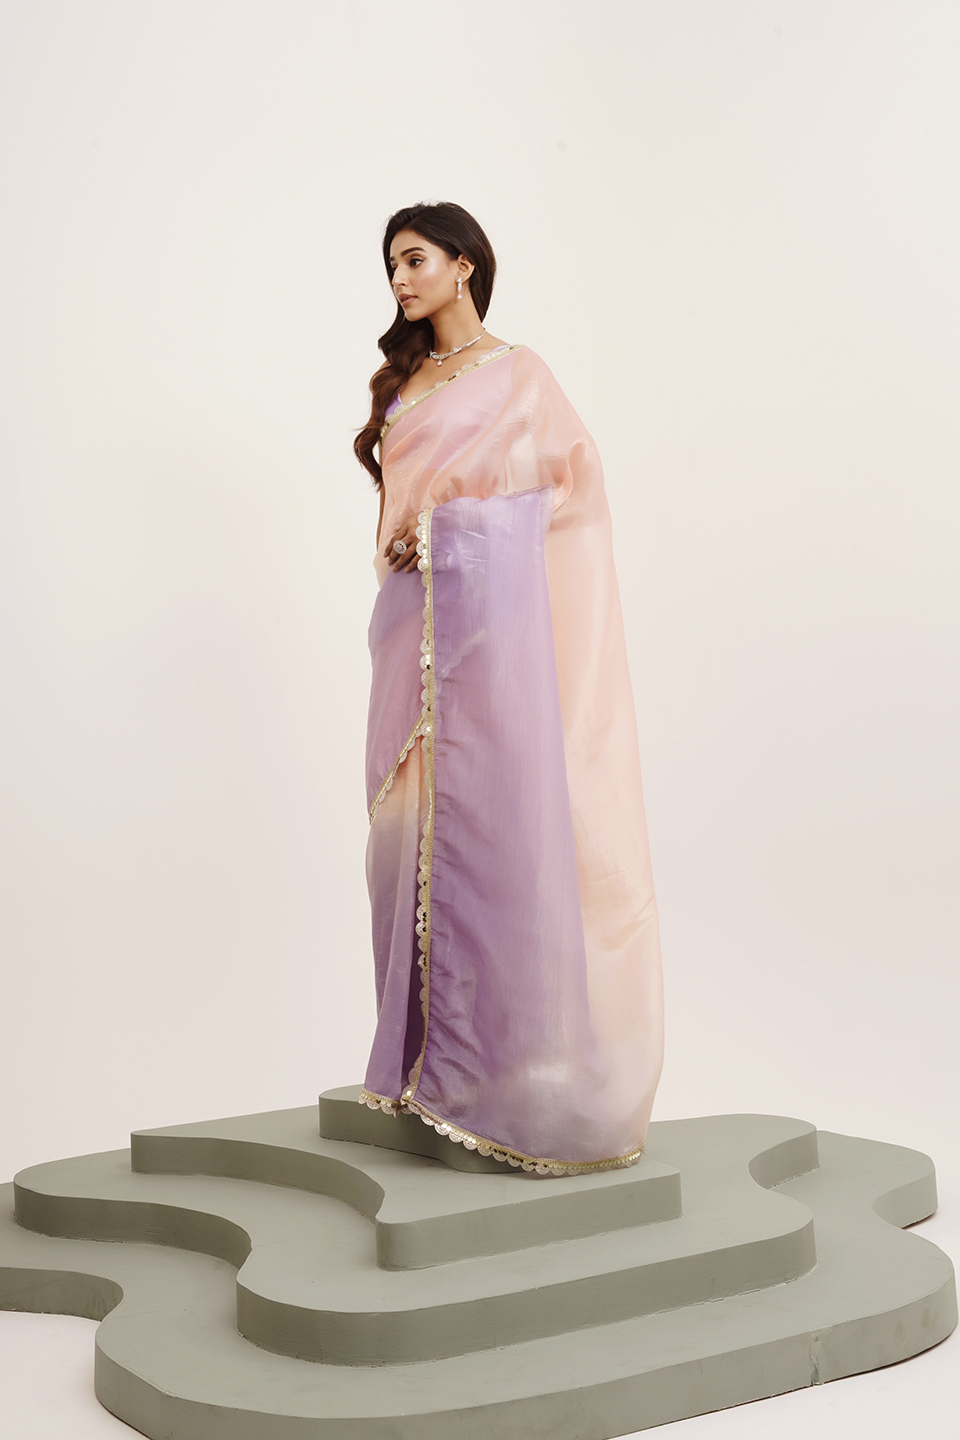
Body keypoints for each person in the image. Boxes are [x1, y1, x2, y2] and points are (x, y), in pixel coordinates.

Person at [355, 202, 663, 1176]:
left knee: (495, 835)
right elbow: (393, 517)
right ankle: (421, 1066)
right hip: (409, 631)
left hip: (492, 640)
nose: (400, 280)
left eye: (415, 260)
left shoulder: (519, 376)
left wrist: (451, 537)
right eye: (391, 265)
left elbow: (569, 500)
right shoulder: (408, 382)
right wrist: (418, 546)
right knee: (401, 844)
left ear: (465, 265)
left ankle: (502, 1076)